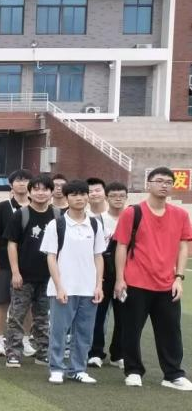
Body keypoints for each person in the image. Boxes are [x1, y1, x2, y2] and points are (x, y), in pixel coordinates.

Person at [113, 167, 192, 390]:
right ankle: (133, 371)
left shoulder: (180, 215)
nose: (164, 185)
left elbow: (183, 247)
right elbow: (121, 246)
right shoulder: (133, 212)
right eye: (159, 181)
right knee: (131, 329)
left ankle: (173, 374)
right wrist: (120, 278)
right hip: (136, 281)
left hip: (167, 283)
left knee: (171, 331)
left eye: (168, 182)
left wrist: (179, 277)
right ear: (148, 184)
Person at [42, 180, 106, 384]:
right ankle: (56, 367)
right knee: (59, 331)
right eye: (74, 194)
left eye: (83, 194)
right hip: (64, 288)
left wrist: (99, 285)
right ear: (67, 198)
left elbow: (98, 256)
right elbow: (51, 257)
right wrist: (59, 286)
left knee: (85, 332)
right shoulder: (57, 224)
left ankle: (78, 369)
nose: (79, 198)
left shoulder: (95, 224)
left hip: (88, 288)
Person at [2, 176, 56, 369]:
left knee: (43, 317)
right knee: (17, 316)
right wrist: (15, 272)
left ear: (51, 192)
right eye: (37, 189)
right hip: (23, 277)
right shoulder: (21, 215)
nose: (41, 193)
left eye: (45, 189)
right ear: (30, 192)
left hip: (48, 277)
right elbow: (12, 244)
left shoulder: (57, 216)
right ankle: (13, 353)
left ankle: (43, 353)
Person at [0, 170, 35, 356]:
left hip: (29, 264)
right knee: (2, 302)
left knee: (28, 305)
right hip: (5, 262)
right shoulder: (3, 207)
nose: (22, 183)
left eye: (26, 180)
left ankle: (25, 340)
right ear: (11, 184)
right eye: (18, 180)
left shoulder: (37, 206)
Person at [87, 180, 127, 368]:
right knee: (98, 315)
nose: (118, 199)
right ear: (106, 197)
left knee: (123, 316)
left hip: (126, 274)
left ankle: (118, 354)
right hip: (102, 273)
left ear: (126, 198)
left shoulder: (131, 218)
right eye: (113, 196)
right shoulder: (97, 220)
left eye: (121, 196)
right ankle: (95, 352)